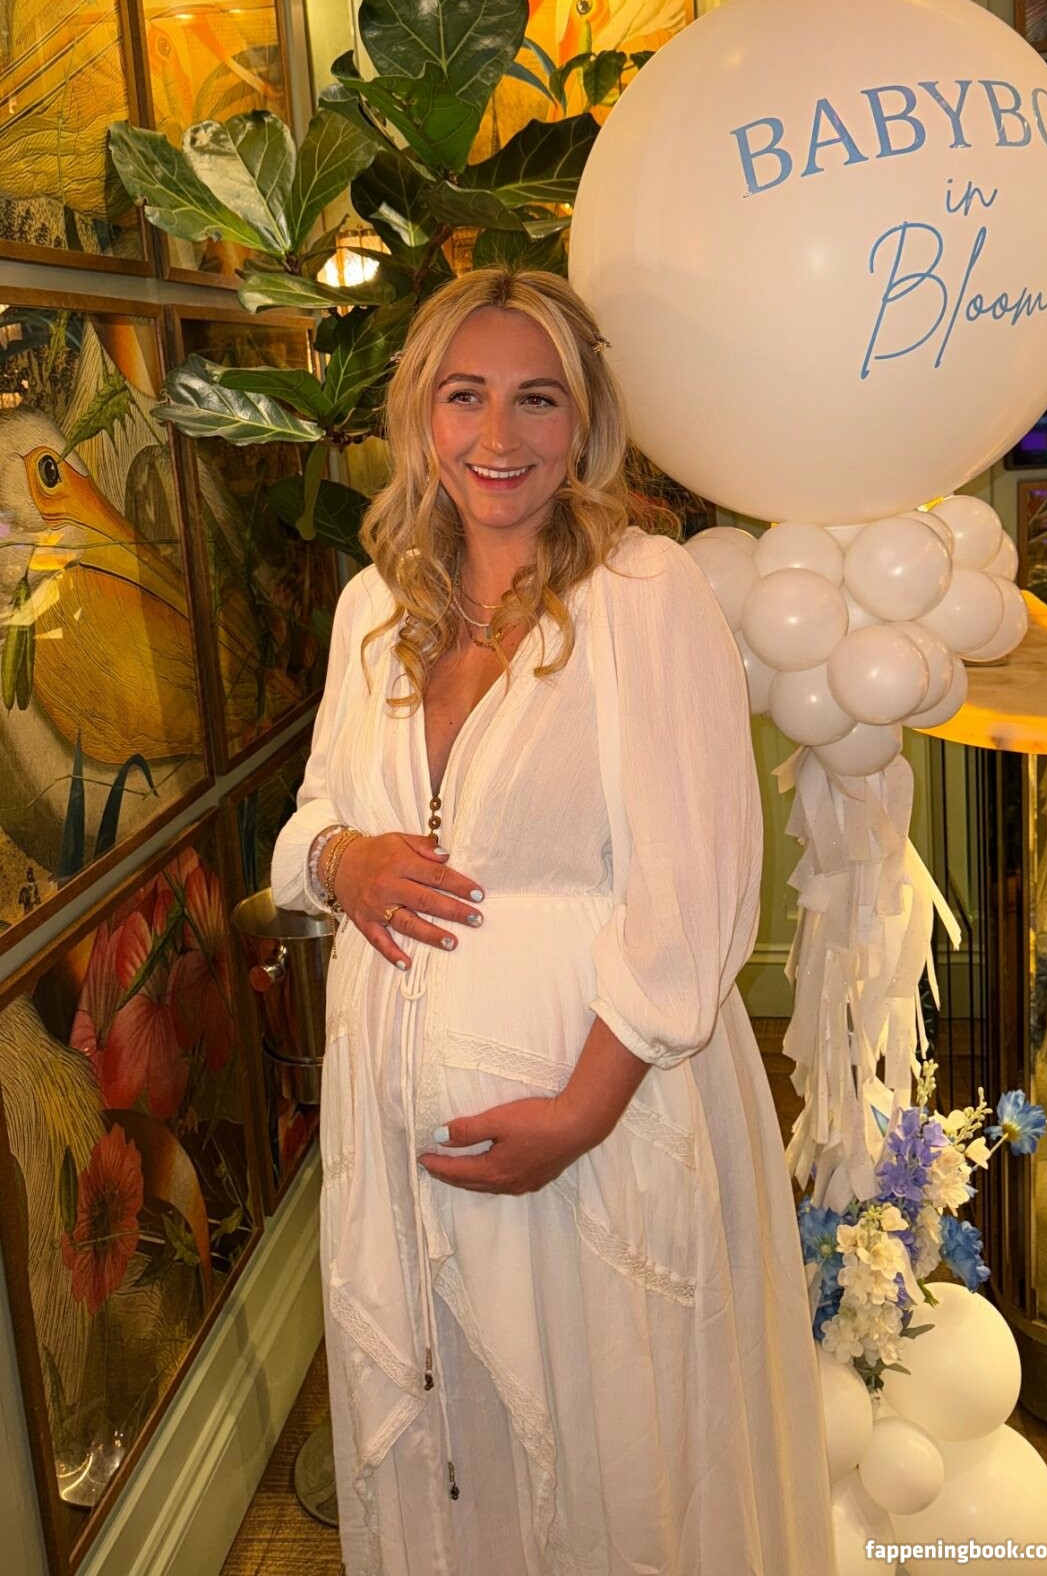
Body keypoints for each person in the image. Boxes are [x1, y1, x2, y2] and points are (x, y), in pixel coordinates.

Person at [270, 267, 835, 1576]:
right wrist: (345, 860)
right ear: (421, 415)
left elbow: (696, 892)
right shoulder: (373, 612)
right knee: (454, 1469)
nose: (498, 436)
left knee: (619, 1474)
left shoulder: (645, 594)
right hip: (401, 1149)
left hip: (606, 1141)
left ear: (584, 423)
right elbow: (309, 822)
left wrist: (580, 1113)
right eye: (465, 396)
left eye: (537, 399)